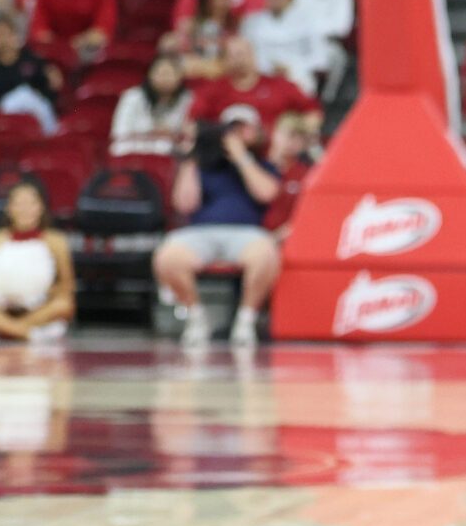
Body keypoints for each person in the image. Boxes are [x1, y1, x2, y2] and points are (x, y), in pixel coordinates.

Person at [157, 103, 282, 348]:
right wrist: (191, 159)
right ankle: (196, 318)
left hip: (246, 234)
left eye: (243, 129)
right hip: (201, 233)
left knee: (266, 254)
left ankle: (246, 322)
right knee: (168, 257)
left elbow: (267, 193)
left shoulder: (264, 165)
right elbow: (184, 204)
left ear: (257, 132)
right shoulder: (202, 167)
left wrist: (241, 157)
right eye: (231, 130)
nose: (235, 136)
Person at [0, 178, 75, 346]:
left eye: (30, 203)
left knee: (64, 305)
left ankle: (9, 330)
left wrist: (44, 294)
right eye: (19, 204)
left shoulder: (56, 241)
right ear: (9, 208)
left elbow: (67, 286)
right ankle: (23, 332)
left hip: (37, 312)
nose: (24, 210)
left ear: (41, 208)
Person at [189, 36, 319, 133]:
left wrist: (294, 133)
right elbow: (191, 123)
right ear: (224, 60)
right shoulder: (213, 90)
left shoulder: (279, 85)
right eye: (231, 55)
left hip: (271, 157)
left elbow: (313, 113)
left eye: (241, 54)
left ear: (253, 55)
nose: (237, 60)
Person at [109, 56, 194, 159]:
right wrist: (152, 131)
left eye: (169, 74)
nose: (164, 78)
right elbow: (119, 132)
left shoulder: (188, 99)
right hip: (133, 149)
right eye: (160, 73)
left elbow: (189, 133)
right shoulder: (132, 97)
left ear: (179, 77)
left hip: (170, 152)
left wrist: (171, 133)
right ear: (150, 75)